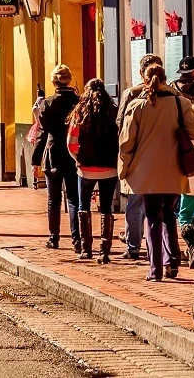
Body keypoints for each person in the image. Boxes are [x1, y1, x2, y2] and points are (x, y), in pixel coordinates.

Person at [119, 64, 194, 281]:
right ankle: (172, 261)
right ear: (165, 78)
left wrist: (123, 170)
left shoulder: (137, 106)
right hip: (173, 167)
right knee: (169, 213)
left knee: (152, 215)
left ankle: (155, 270)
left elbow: (126, 143)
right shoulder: (181, 103)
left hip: (146, 171)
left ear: (145, 79)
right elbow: (193, 131)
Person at [118, 53, 164, 260]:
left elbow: (121, 124)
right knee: (164, 207)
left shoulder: (131, 94)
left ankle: (133, 246)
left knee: (135, 203)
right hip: (166, 157)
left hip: (138, 157)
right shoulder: (173, 95)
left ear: (140, 72)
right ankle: (161, 249)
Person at [68, 79, 120, 263]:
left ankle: (86, 249)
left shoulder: (80, 113)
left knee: (84, 207)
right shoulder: (114, 112)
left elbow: (71, 143)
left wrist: (78, 159)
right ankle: (104, 252)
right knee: (106, 208)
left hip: (87, 169)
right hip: (109, 168)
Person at [34, 65, 82, 252]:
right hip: (73, 152)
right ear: (69, 80)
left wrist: (36, 159)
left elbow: (43, 130)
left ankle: (53, 238)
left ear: (54, 81)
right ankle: (77, 238)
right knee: (73, 198)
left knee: (53, 199)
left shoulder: (48, 103)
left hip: (53, 153)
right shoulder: (78, 102)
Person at [173, 56, 194, 267]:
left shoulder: (172, 92)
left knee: (184, 207)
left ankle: (191, 246)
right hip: (193, 151)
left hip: (178, 153)